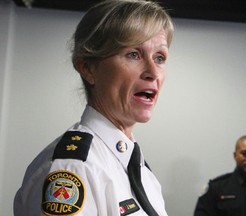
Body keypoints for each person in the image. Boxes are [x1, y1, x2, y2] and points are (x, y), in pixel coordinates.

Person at [14, 0, 174, 215]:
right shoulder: (73, 170)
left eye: (160, 57)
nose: (153, 72)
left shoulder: (141, 171)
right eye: (133, 54)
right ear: (87, 68)